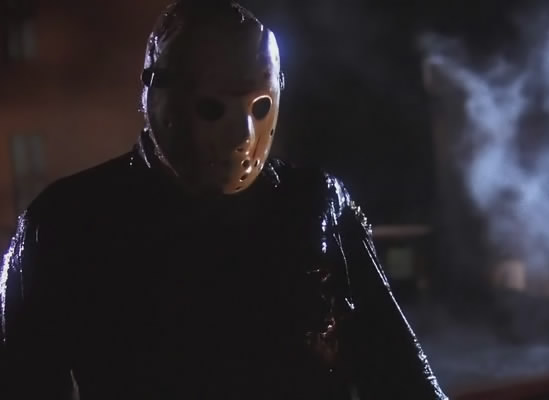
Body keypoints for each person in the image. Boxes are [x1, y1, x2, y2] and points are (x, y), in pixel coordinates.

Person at [0, 1, 448, 399]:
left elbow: (398, 370)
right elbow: (23, 382)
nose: (241, 137)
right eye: (212, 108)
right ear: (161, 97)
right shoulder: (66, 224)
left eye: (259, 107)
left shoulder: (317, 205)